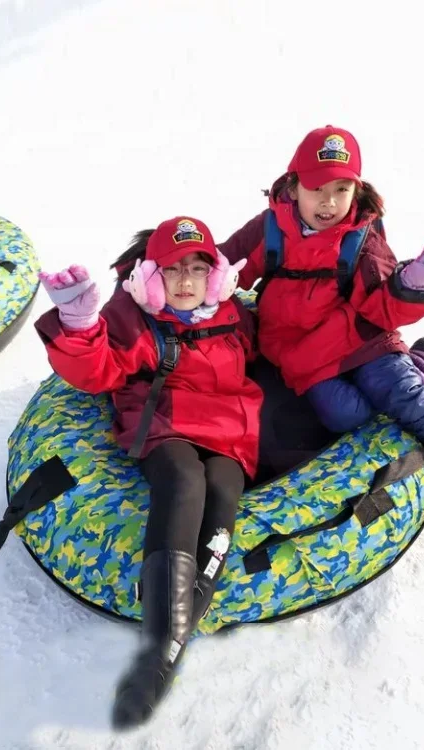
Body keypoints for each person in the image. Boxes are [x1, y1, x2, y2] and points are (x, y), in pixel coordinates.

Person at [215, 124, 424, 549]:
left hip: (364, 340)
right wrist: (171, 275)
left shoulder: (361, 236)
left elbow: (382, 306)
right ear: (292, 184)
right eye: (317, 187)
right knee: (346, 416)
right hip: (304, 355)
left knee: (406, 399)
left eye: (342, 189)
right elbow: (221, 268)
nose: (329, 202)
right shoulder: (269, 228)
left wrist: (414, 282)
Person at [35, 216, 259, 730]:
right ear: (152, 278)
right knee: (183, 482)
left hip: (231, 430)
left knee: (223, 490)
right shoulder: (138, 319)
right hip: (165, 424)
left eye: (198, 268)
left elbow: (275, 347)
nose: (186, 280)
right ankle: (160, 650)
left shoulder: (233, 316)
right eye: (173, 269)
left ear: (216, 276)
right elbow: (97, 371)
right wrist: (78, 324)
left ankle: (172, 639)